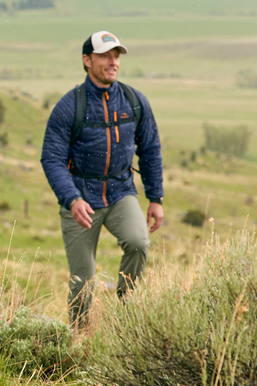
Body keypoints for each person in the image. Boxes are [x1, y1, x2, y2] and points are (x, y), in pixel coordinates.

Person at [40, 31, 164, 327]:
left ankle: (126, 318)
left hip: (122, 192)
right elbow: (51, 159)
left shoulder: (134, 101)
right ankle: (79, 338)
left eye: (116, 56)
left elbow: (150, 150)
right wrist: (72, 199)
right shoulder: (70, 106)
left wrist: (155, 199)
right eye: (105, 56)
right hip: (81, 199)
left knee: (138, 243)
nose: (113, 62)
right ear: (87, 60)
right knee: (83, 279)